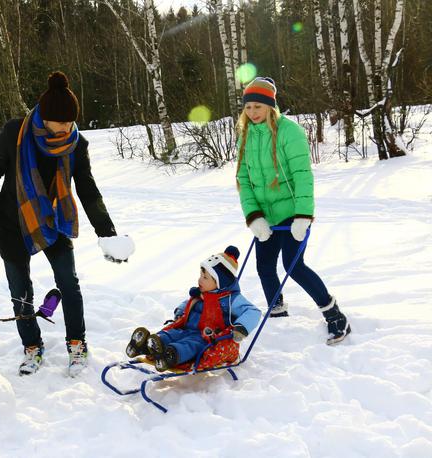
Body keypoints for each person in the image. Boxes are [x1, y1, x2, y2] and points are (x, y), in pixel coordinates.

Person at [0, 71, 134, 377]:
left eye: (70, 122)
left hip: (54, 220)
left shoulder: (76, 144)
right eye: (60, 122)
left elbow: (87, 189)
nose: (66, 127)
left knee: (69, 283)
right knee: (19, 291)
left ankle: (77, 343)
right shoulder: (15, 133)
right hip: (12, 220)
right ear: (45, 118)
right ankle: (32, 347)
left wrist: (107, 233)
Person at [235, 77, 351, 345]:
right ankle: (277, 314)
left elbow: (302, 176)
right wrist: (253, 217)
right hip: (265, 216)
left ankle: (335, 316)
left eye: (258, 107)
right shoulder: (245, 134)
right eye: (248, 107)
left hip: (291, 213)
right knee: (264, 266)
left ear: (270, 107)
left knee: (293, 265)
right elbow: (243, 178)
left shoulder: (290, 132)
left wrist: (303, 216)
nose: (252, 113)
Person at [125, 246, 260, 372]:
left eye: (205, 277)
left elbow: (253, 311)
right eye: (201, 275)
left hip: (206, 337)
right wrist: (180, 311)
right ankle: (147, 345)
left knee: (190, 345)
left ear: (220, 283)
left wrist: (241, 327)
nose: (200, 280)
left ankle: (171, 356)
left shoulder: (231, 299)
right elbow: (188, 303)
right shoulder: (202, 293)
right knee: (172, 334)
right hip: (187, 328)